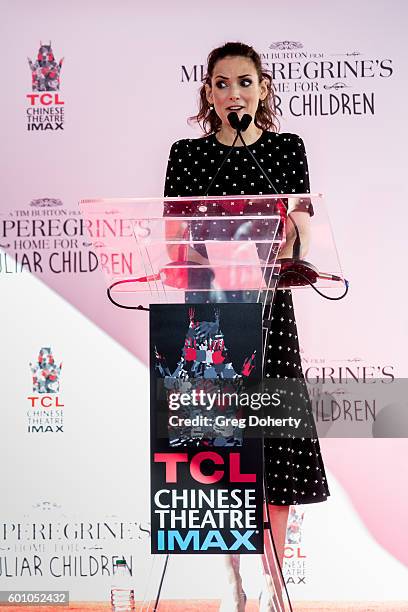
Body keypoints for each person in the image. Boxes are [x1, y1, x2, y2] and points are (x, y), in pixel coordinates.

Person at [163, 41, 330, 612]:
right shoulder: (186, 155)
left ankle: (272, 588)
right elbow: (172, 239)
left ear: (262, 91)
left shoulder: (286, 150)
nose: (234, 93)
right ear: (207, 94)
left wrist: (290, 238)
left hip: (269, 313)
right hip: (209, 313)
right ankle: (230, 585)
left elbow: (301, 230)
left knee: (275, 447)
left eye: (244, 82)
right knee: (221, 451)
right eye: (222, 83)